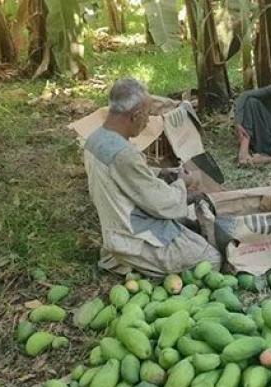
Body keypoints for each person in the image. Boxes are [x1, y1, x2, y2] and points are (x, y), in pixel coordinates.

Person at [83, 78, 221, 276]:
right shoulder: (124, 155)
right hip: (133, 237)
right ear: (136, 116)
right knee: (211, 257)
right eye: (147, 115)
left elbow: (125, 178)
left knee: (190, 223)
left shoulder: (95, 139)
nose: (148, 121)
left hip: (115, 227)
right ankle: (144, 265)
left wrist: (161, 174)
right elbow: (161, 204)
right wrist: (182, 183)